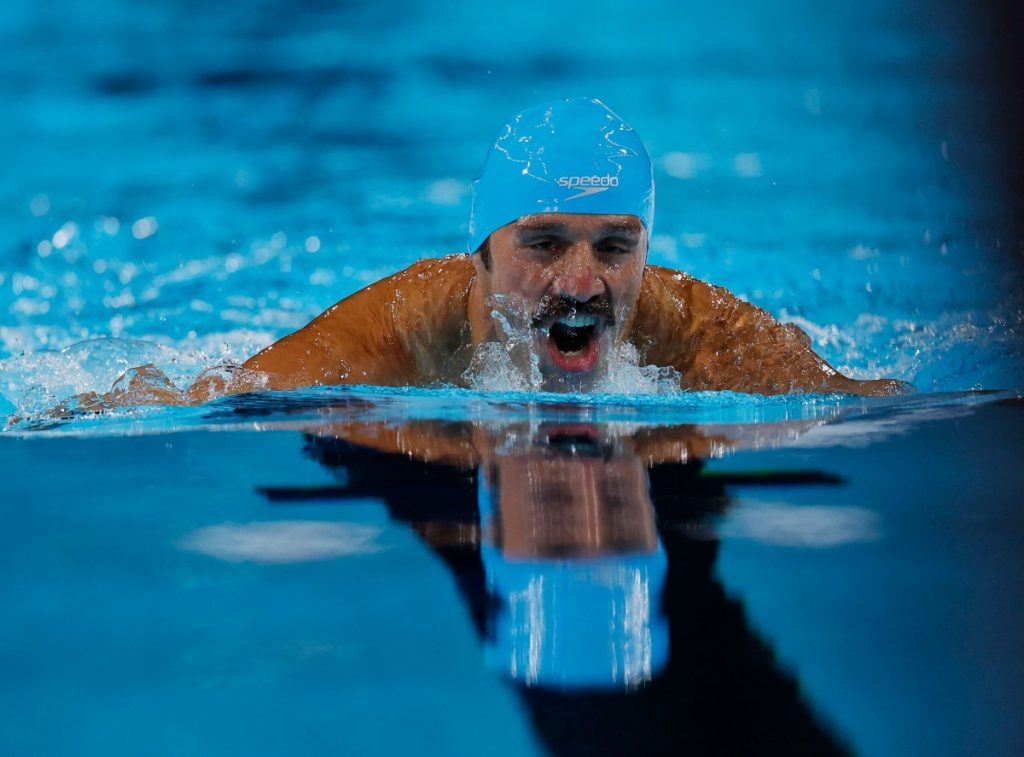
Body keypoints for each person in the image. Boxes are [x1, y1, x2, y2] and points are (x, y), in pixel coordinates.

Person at [76, 97, 906, 411]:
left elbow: (874, 406)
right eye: (543, 242)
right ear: (478, 254)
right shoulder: (392, 336)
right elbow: (213, 403)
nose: (581, 282)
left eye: (614, 247)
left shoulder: (702, 337)